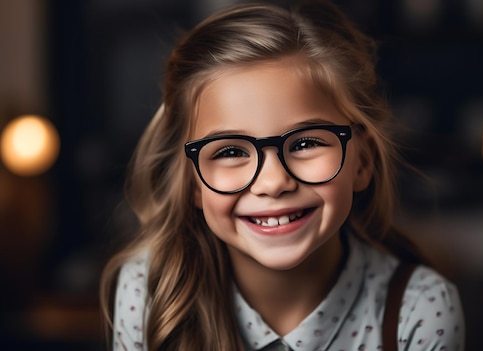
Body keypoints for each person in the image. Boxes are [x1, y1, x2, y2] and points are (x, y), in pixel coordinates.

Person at [100, 1, 464, 350]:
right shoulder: (149, 294)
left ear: (362, 162)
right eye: (230, 152)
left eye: (305, 143)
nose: (273, 183)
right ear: (192, 181)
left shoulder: (418, 312)